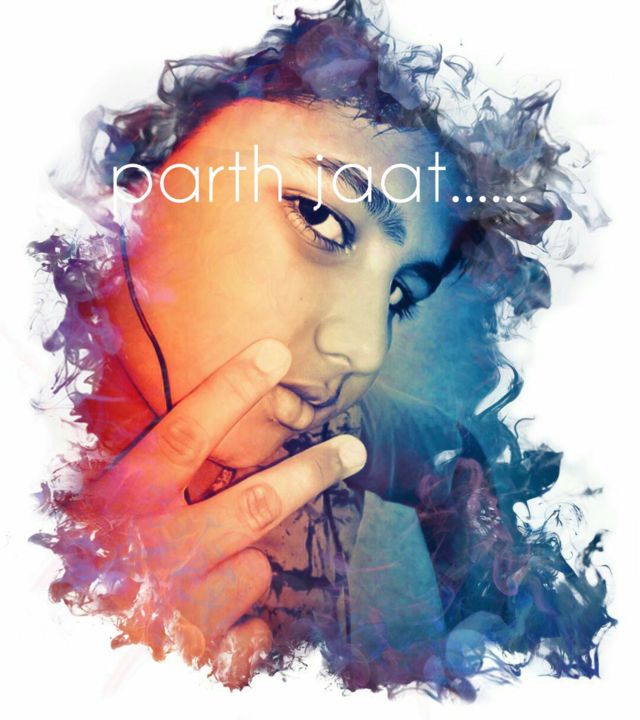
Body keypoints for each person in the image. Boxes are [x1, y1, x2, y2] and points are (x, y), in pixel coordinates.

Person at [29, 0, 613, 699]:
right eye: (321, 219)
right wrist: (75, 650)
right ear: (137, 180)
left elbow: (446, 451)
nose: (364, 350)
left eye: (398, 294)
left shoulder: (327, 433)